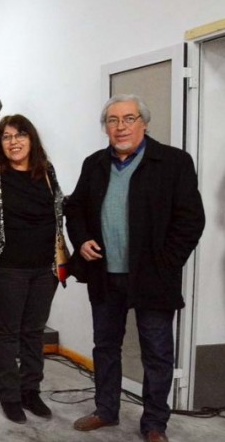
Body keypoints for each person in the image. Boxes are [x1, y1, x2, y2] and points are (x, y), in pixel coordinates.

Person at [65, 94, 205, 442]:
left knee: (157, 352)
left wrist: (166, 263)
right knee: (106, 346)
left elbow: (190, 221)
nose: (120, 126)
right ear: (105, 127)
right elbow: (76, 209)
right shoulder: (94, 163)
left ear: (144, 122)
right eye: (112, 120)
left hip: (154, 278)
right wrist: (81, 241)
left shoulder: (173, 162)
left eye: (128, 118)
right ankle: (106, 410)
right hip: (105, 274)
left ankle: (155, 423)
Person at [0, 114, 64, 424]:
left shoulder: (46, 171)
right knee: (5, 335)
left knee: (33, 333)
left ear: (32, 139)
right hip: (8, 267)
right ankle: (10, 396)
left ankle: (31, 391)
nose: (14, 141)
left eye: (20, 135)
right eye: (6, 136)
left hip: (45, 269)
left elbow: (58, 211)